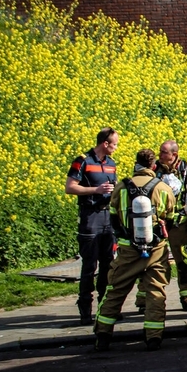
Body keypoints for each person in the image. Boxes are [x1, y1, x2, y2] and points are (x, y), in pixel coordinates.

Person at [94, 149, 176, 352]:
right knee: (155, 292)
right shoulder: (163, 188)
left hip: (127, 250)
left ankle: (103, 336)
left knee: (115, 290)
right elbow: (171, 219)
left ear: (135, 164)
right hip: (155, 250)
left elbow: (113, 218)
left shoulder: (120, 187)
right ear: (153, 166)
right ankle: (154, 338)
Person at [134, 140, 187, 312]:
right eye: (159, 152)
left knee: (184, 262)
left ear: (174, 155)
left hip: (179, 224)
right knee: (150, 261)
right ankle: (145, 298)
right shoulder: (153, 169)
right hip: (156, 223)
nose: (160, 156)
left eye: (164, 152)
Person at [65, 127, 119, 326]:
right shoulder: (83, 161)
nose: (116, 147)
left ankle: (105, 309)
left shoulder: (112, 164)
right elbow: (70, 187)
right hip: (90, 217)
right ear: (105, 143)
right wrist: (95, 190)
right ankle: (85, 310)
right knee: (89, 265)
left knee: (108, 264)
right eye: (115, 144)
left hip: (107, 217)